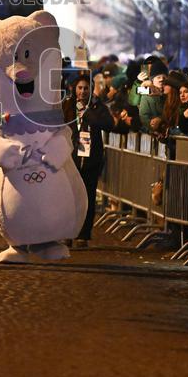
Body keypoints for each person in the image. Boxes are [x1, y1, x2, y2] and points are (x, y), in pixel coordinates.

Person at [63, 73, 114, 248]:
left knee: (87, 197)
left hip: (91, 159)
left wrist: (89, 113)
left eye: (86, 88)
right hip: (70, 158)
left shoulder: (96, 106)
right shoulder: (67, 105)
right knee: (69, 198)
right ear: (74, 89)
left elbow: (108, 124)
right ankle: (67, 233)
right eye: (80, 88)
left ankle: (83, 234)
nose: (83, 92)